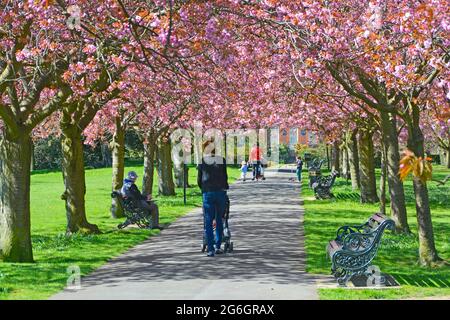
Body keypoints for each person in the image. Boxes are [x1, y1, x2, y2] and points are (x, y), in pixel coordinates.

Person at [197, 139, 229, 257]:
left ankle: (210, 249)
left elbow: (199, 180)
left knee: (208, 221)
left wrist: (204, 188)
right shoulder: (222, 160)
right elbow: (225, 177)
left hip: (208, 192)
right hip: (220, 192)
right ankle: (218, 246)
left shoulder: (202, 162)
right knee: (219, 219)